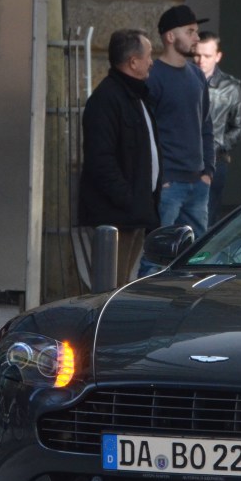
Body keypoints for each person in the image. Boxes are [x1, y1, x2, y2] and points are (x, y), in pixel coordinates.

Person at [78, 29, 162, 288]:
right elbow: (100, 161)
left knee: (122, 284)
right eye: (148, 56)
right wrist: (128, 199)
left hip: (135, 212)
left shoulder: (136, 96)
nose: (151, 61)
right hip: (117, 216)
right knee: (110, 287)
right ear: (133, 62)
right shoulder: (106, 100)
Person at [148, 5, 215, 240]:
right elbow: (146, 133)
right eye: (190, 31)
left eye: (196, 31)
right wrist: (160, 179)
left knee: (195, 256)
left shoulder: (197, 75)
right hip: (168, 183)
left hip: (197, 182)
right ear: (170, 37)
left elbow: (206, 125)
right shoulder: (153, 75)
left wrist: (208, 171)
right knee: (156, 253)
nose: (196, 37)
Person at [193, 31, 241, 224]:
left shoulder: (230, 86)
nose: (201, 60)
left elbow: (240, 127)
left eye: (206, 56)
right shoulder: (184, 79)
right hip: (183, 158)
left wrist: (217, 144)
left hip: (215, 160)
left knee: (208, 215)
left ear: (217, 56)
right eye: (197, 55)